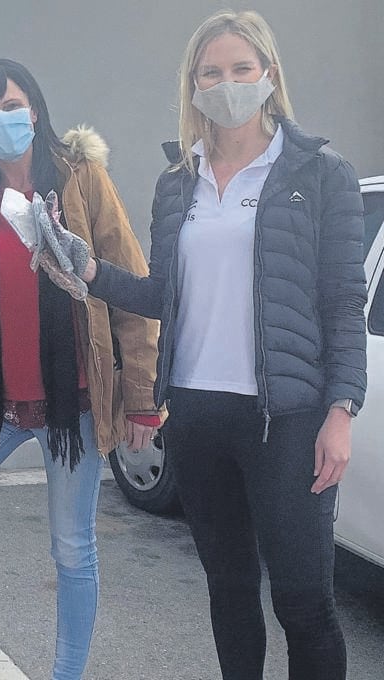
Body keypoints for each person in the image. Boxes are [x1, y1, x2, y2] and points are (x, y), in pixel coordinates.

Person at [83, 11, 365, 680]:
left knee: (303, 601)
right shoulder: (177, 181)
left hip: (286, 420)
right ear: (193, 84)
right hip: (197, 415)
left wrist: (341, 410)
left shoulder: (319, 173)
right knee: (230, 590)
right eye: (211, 72)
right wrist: (90, 271)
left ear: (269, 75)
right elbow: (162, 294)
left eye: (242, 69)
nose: (227, 83)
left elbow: (343, 302)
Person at [0, 59, 160, 680]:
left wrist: (142, 398)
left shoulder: (81, 179)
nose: (0, 119)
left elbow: (131, 288)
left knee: (72, 549)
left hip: (74, 402)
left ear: (35, 109)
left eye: (10, 105)